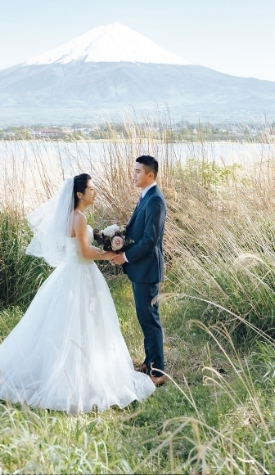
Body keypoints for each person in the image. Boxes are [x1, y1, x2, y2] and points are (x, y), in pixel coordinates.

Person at [0, 174, 156, 413]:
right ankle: (78, 375)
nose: (95, 192)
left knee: (73, 322)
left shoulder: (75, 217)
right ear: (79, 194)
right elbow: (84, 252)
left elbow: (81, 248)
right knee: (82, 322)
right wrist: (108, 255)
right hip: (81, 273)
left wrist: (105, 244)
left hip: (73, 272)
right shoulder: (79, 218)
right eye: (91, 189)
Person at [111, 155, 168, 385]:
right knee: (144, 317)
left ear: (150, 175)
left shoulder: (155, 200)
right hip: (141, 270)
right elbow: (138, 229)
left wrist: (124, 256)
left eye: (137, 172)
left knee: (150, 319)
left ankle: (158, 373)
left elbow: (149, 240)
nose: (133, 175)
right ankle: (150, 361)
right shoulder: (145, 195)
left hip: (148, 270)